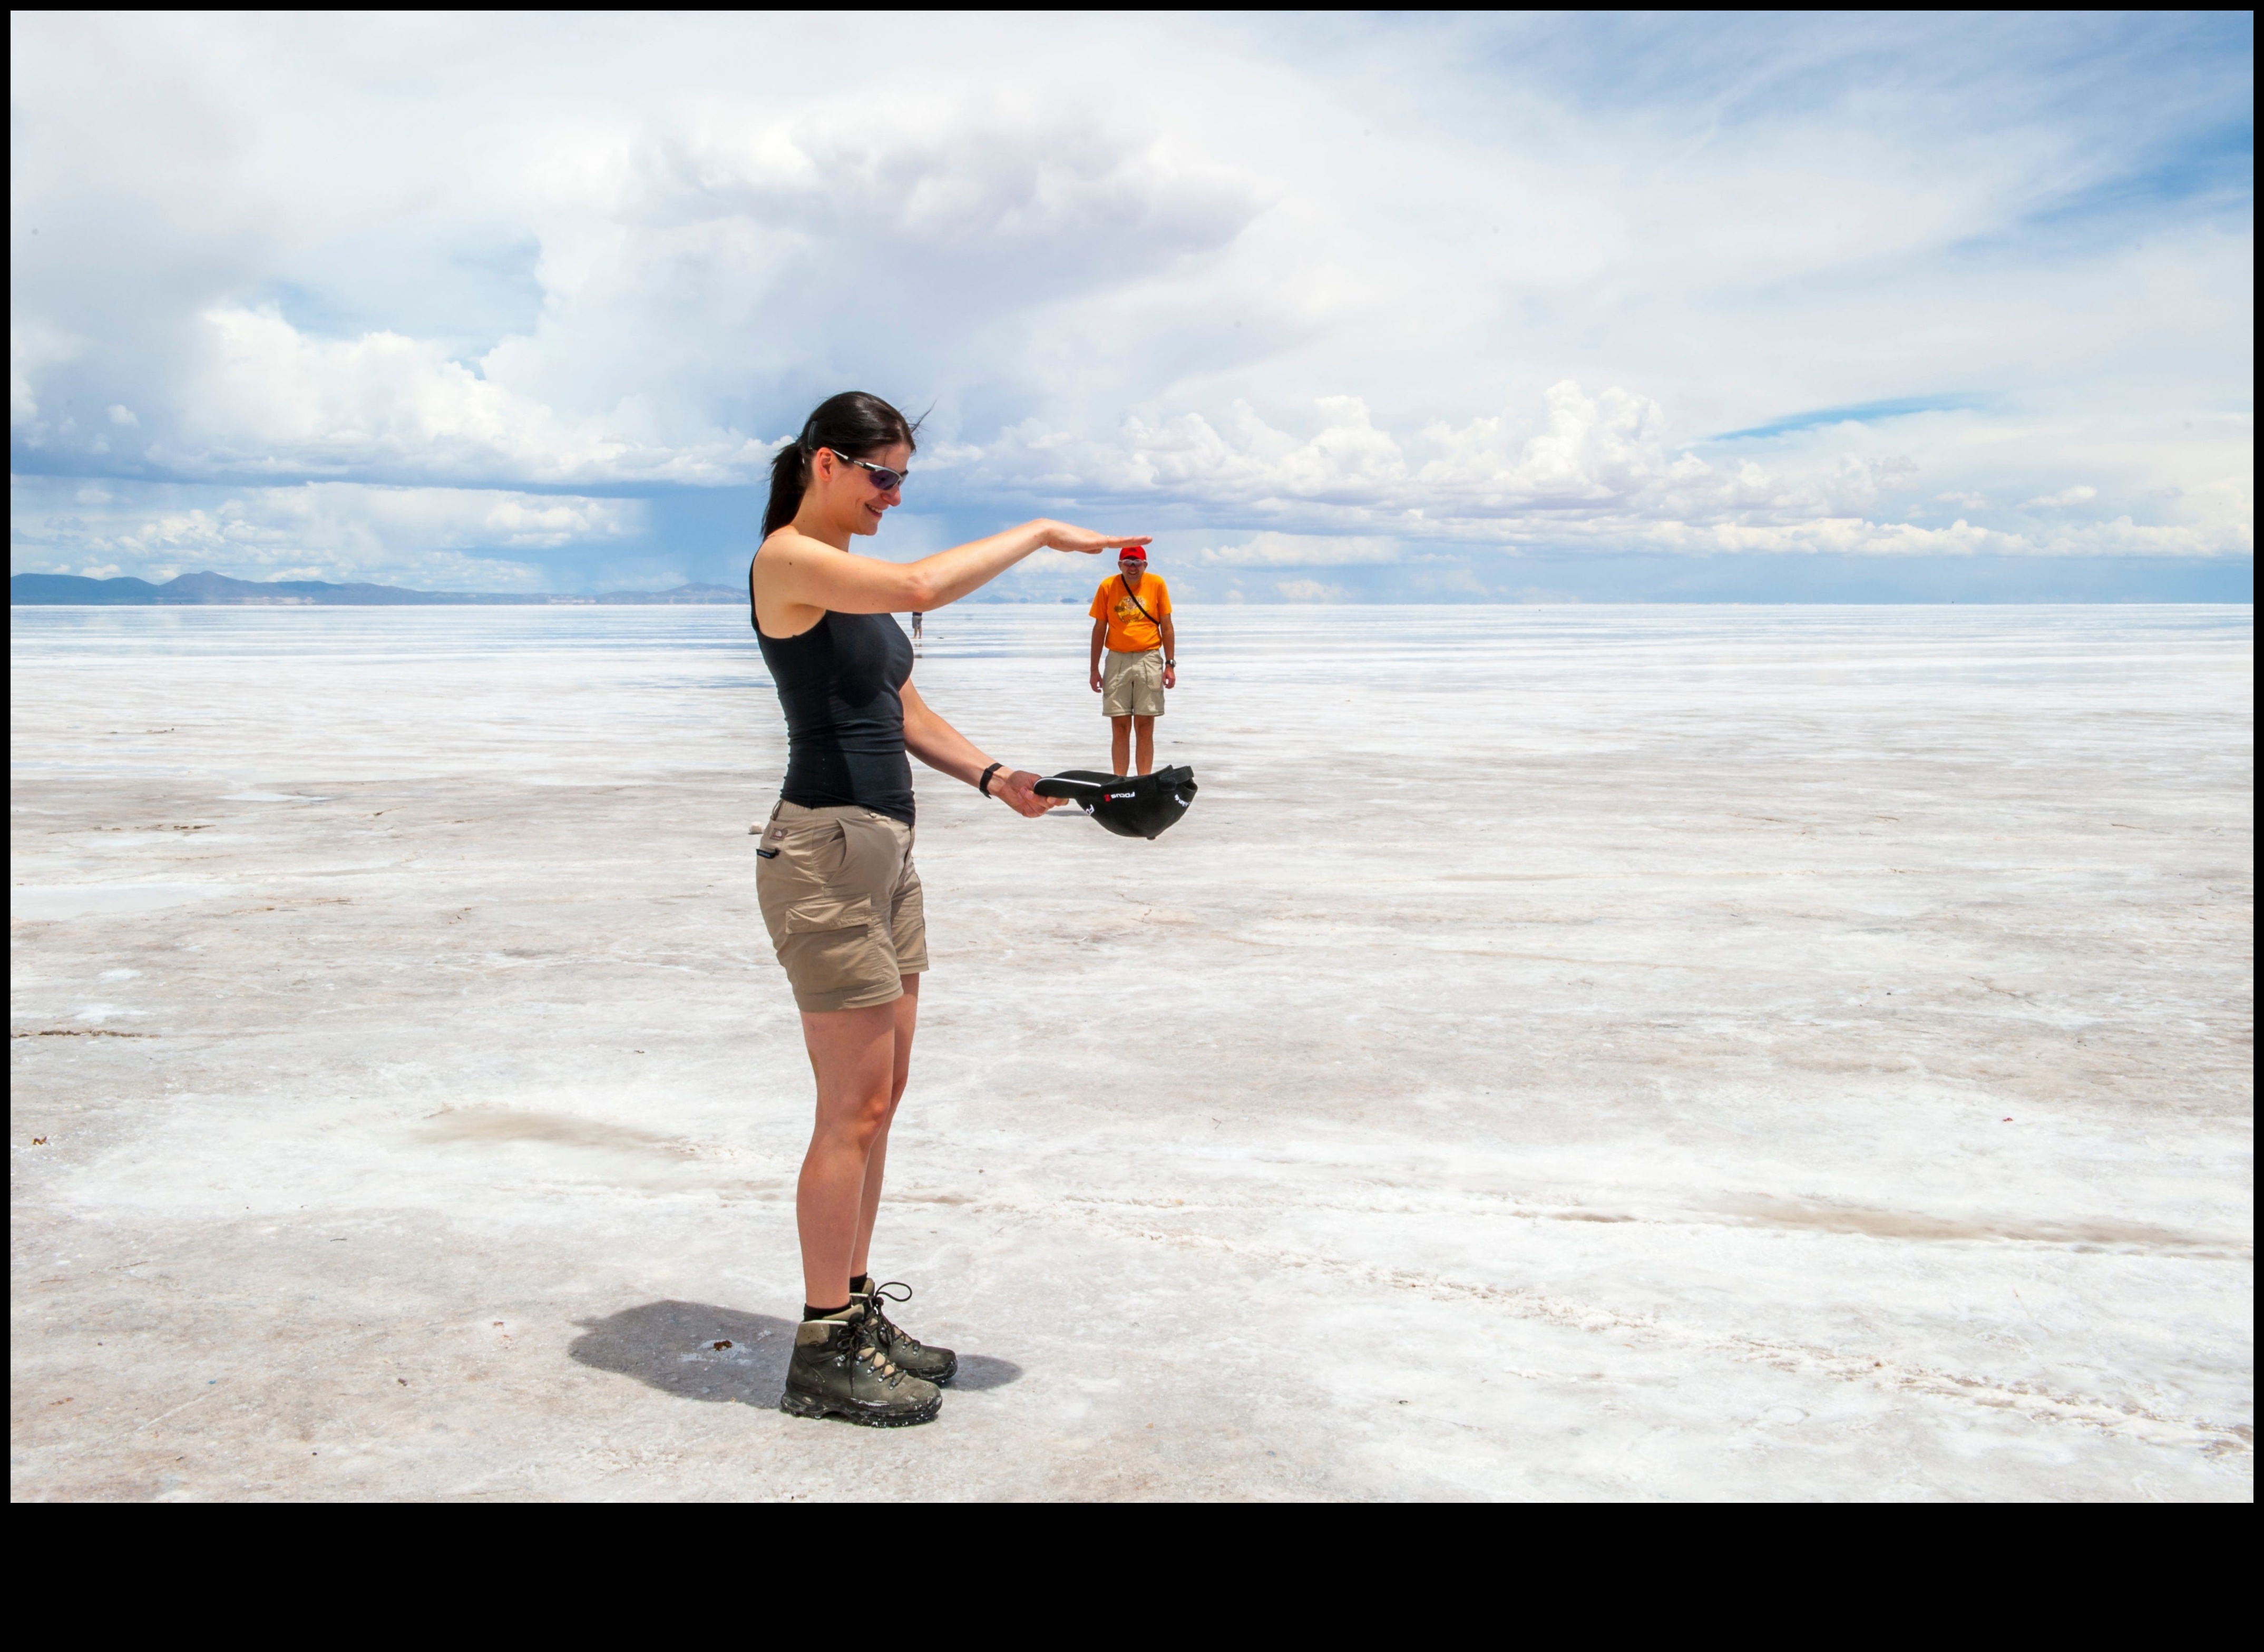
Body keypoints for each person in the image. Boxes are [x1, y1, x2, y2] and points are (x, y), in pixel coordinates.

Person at [749, 391, 1147, 1426]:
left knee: (881, 1101)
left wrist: (996, 775)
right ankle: (821, 1344)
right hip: (825, 852)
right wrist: (1044, 533)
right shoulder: (791, 558)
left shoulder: (858, 589)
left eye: (903, 482)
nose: (892, 496)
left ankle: (856, 1305)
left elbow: (900, 704)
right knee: (850, 1108)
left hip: (884, 849)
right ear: (825, 464)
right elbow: (928, 580)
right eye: (881, 476)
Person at [1087, 546, 1177, 776]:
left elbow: (1166, 626)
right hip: (1117, 660)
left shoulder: (1156, 584)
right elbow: (1099, 628)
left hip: (1149, 659)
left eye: (1137, 563)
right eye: (1128, 562)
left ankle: (1143, 782)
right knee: (1120, 727)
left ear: (1145, 565)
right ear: (1119, 565)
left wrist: (1170, 664)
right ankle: (1120, 783)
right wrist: (1094, 669)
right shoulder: (1108, 586)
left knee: (1145, 727)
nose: (1133, 567)